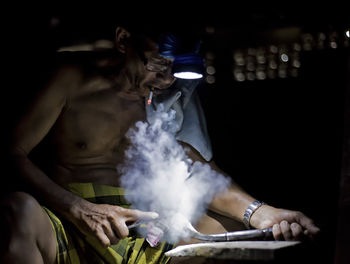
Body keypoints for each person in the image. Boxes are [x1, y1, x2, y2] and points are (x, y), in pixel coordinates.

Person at [0, 21, 320, 264]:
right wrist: (79, 209)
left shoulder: (172, 93)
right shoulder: (71, 78)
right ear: (124, 40)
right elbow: (11, 152)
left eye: (175, 70)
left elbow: (191, 167)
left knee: (231, 240)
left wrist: (261, 212)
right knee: (19, 211)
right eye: (157, 64)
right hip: (75, 221)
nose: (165, 79)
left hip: (147, 224)